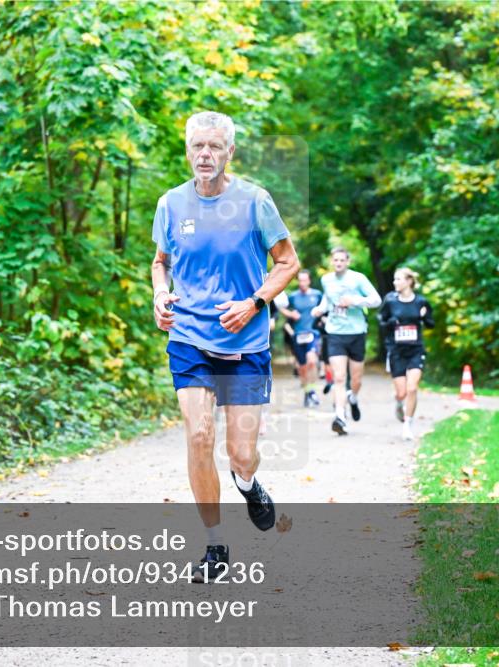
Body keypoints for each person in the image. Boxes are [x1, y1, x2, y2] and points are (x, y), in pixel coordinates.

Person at [151, 111, 300, 582]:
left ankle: (247, 483)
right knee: (198, 436)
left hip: (246, 341)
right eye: (198, 146)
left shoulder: (255, 201)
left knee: (241, 454)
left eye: (214, 146)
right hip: (189, 337)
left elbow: (288, 263)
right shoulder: (171, 204)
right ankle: (215, 546)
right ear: (187, 150)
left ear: (229, 152)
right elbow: (160, 261)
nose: (205, 154)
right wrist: (159, 293)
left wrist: (254, 303)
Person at [310, 248, 382, 435]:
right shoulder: (326, 280)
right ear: (332, 261)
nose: (339, 263)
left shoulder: (358, 279)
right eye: (335, 260)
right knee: (339, 377)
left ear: (348, 262)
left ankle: (353, 397)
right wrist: (320, 309)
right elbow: (328, 300)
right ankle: (340, 417)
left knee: (356, 379)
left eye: (342, 260)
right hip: (335, 333)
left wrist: (355, 301)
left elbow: (376, 300)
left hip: (356, 333)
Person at [378, 267, 434, 440]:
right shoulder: (390, 301)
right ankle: (399, 402)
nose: (395, 282)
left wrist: (424, 317)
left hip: (415, 349)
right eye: (394, 279)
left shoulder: (421, 302)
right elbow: (381, 321)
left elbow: (431, 324)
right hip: (396, 350)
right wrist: (391, 322)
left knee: (412, 388)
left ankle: (407, 425)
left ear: (409, 281)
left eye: (398, 279)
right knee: (402, 392)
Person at [279, 269, 323, 407]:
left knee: (312, 361)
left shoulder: (317, 295)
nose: (302, 283)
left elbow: (324, 308)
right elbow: (281, 307)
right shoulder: (293, 297)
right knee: (302, 367)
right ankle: (308, 393)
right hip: (298, 334)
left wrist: (321, 316)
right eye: (300, 280)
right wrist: (290, 314)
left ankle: (313, 391)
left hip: (313, 332)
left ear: (309, 281)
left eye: (304, 280)